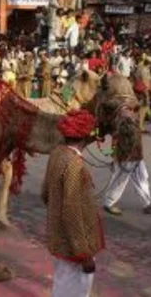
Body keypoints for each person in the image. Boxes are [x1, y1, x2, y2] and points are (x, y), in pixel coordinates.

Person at [42, 109, 105, 297]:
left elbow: (45, 194)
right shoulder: (75, 165)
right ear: (85, 137)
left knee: (61, 285)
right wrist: (83, 254)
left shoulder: (57, 154)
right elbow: (71, 211)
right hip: (74, 246)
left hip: (60, 237)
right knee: (74, 290)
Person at [103, 120, 151, 215]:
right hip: (126, 159)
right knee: (119, 181)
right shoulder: (123, 128)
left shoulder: (133, 127)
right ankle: (108, 203)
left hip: (136, 158)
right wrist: (112, 154)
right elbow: (114, 145)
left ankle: (148, 203)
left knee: (142, 179)